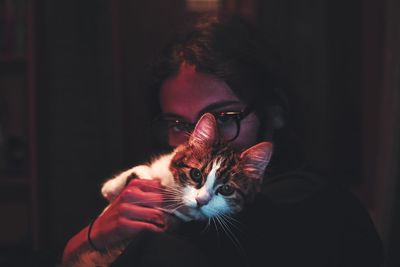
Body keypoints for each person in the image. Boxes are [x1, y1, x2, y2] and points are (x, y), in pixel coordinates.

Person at [61, 15, 384, 267]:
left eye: (226, 117)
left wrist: (82, 243)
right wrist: (97, 233)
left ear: (276, 112)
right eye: (177, 123)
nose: (197, 142)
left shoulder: (300, 204)